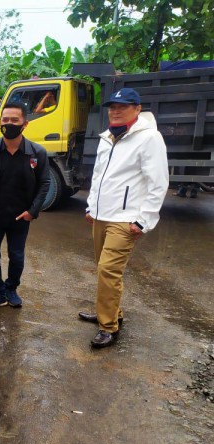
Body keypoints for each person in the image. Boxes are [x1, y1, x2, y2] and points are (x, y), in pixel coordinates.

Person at [80, 88, 169, 348]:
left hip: (125, 218)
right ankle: (111, 312)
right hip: (101, 215)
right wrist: (91, 207)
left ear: (137, 108)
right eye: (112, 107)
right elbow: (98, 176)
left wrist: (144, 220)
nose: (115, 111)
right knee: (102, 268)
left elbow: (158, 182)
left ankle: (108, 327)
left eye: (123, 106)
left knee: (109, 270)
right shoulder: (107, 137)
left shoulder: (149, 138)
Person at [0, 101, 50, 311]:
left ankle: (11, 289)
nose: (9, 124)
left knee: (16, 256)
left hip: (20, 217)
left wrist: (32, 211)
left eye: (14, 120)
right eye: (5, 120)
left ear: (25, 123)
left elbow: (44, 183)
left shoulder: (36, 153)